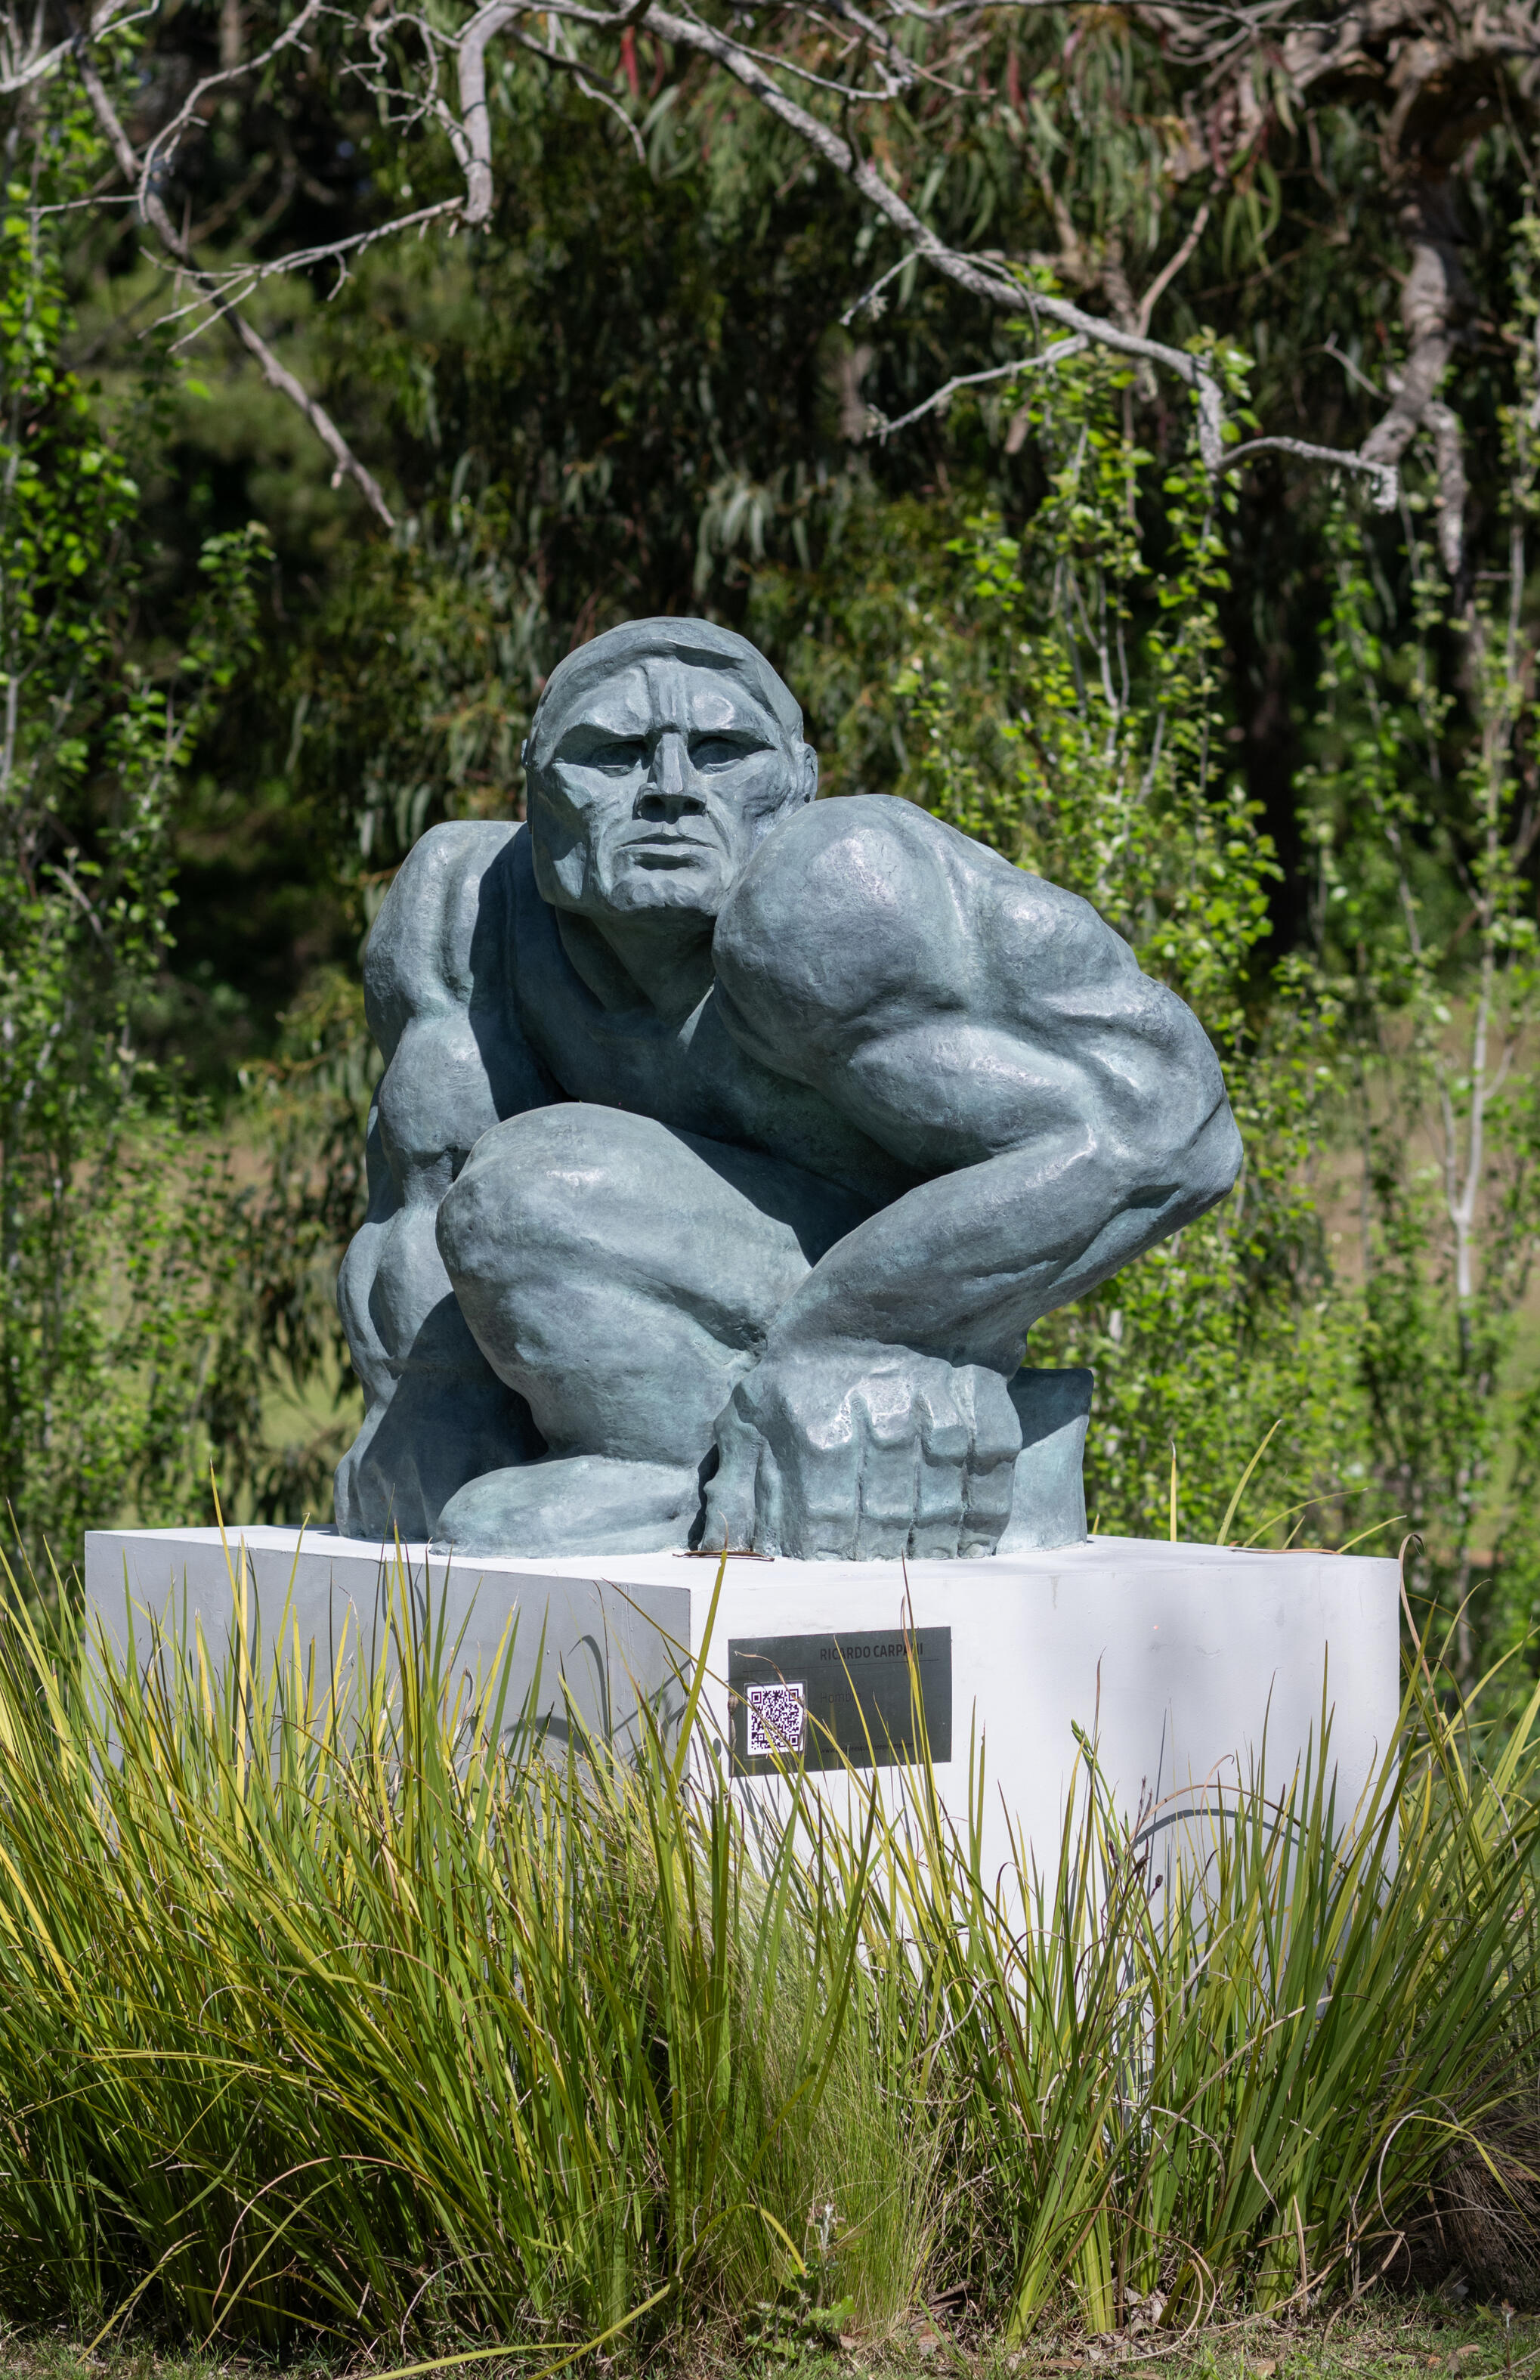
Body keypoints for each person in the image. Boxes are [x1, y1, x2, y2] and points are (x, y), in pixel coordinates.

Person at [334, 617, 1241, 1560]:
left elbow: (1163, 1130)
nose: (670, 788)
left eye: (723, 751)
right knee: (512, 1208)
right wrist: (433, 1406)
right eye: (611, 754)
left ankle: (673, 1473)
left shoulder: (832, 890)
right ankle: (650, 1454)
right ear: (535, 783)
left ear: (800, 782)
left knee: (531, 1188)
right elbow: (418, 1193)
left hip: (893, 1281)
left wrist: (853, 1338)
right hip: (660, 1254)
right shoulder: (468, 905)